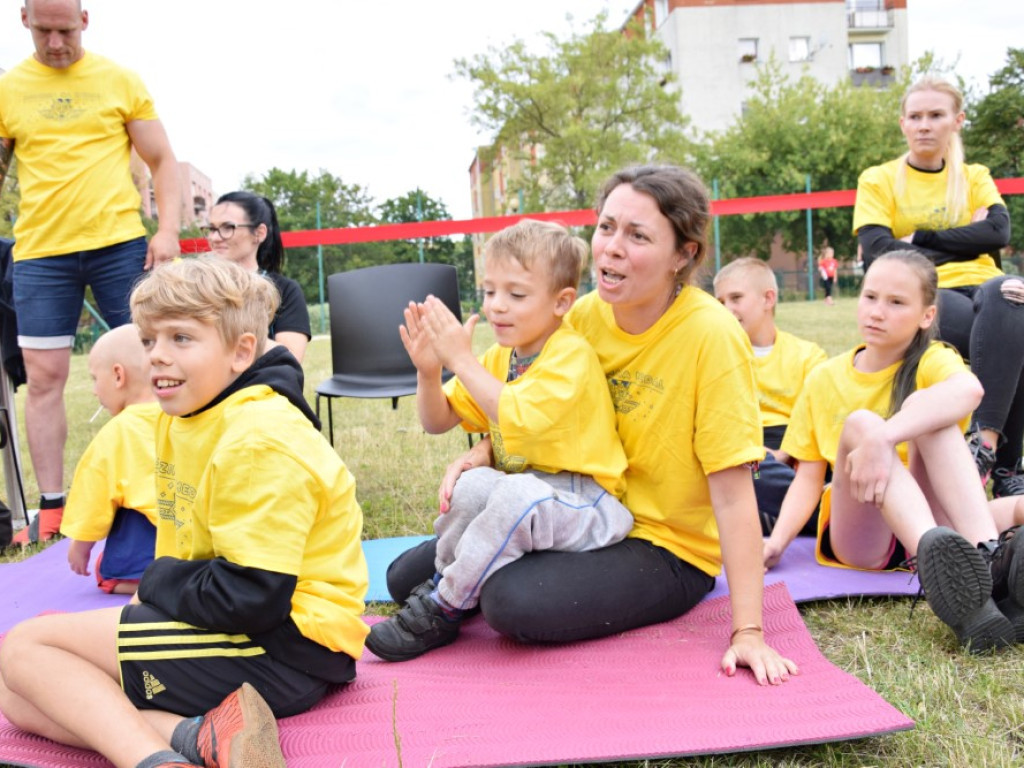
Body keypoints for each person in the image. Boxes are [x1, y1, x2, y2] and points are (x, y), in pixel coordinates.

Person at [385, 166, 798, 685]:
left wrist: (749, 632)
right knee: (403, 578)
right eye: (606, 228)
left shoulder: (712, 336)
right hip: (576, 506)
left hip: (666, 548)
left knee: (510, 601)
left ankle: (463, 596)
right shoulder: (581, 314)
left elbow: (735, 497)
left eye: (638, 235)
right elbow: (538, 402)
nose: (611, 249)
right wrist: (483, 451)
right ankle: (460, 591)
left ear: (683, 255)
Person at [0, 257, 369, 768]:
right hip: (236, 630)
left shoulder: (258, 438)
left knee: (23, 651)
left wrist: (156, 581)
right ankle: (194, 737)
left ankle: (154, 763)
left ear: (241, 351)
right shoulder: (193, 412)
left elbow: (253, 596)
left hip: (284, 648)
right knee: (17, 694)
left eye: (181, 339)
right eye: (150, 340)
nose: (157, 357)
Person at [366, 219, 633, 662]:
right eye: (489, 291)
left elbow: (517, 417)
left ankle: (444, 607)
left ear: (561, 302)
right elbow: (439, 421)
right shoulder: (497, 357)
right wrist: (430, 371)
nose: (496, 307)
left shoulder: (570, 355)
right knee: (473, 486)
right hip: (530, 494)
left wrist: (460, 359)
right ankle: (443, 584)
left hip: (587, 502)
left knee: (515, 493)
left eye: (517, 294)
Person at [764, 251, 1024, 652]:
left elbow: (970, 391)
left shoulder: (933, 360)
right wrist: (777, 543)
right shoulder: (824, 378)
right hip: (864, 535)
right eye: (870, 297)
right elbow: (808, 477)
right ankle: (946, 572)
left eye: (896, 302)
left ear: (927, 315)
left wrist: (885, 438)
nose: (877, 312)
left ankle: (986, 565)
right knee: (862, 423)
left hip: (940, 527)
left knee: (926, 410)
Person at [1, 0, 181, 545]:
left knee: (156, 362)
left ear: (84, 20)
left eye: (64, 30)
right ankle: (53, 507)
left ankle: (167, 488)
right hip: (41, 251)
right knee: (45, 376)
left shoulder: (119, 79)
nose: (55, 43)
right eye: (43, 31)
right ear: (24, 22)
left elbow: (163, 160)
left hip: (118, 243)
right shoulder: (8, 89)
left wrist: (167, 229)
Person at [853, 75, 1021, 499]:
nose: (924, 124)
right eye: (915, 116)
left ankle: (983, 446)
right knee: (1015, 333)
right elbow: (878, 253)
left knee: (1010, 294)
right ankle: (1006, 473)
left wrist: (921, 240)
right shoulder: (879, 180)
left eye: (935, 115)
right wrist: (967, 237)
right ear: (903, 124)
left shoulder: (974, 174)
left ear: (957, 121)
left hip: (988, 290)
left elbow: (998, 232)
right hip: (932, 295)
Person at [713, 257, 827, 535]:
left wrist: (785, 453)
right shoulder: (715, 356)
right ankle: (825, 517)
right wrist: (765, 454)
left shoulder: (807, 355)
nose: (727, 309)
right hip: (749, 450)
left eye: (736, 298)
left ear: (768, 299)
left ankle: (778, 515)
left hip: (798, 449)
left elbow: (818, 415)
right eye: (720, 302)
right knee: (744, 469)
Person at [60, 324, 161, 594]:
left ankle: (136, 584)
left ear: (118, 375)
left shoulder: (117, 432)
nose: (94, 391)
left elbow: (94, 497)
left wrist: (80, 546)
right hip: (195, 544)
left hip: (147, 548)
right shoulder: (184, 414)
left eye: (95, 378)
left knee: (106, 574)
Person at [204, 191, 311, 362]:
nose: (214, 237)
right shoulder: (196, 286)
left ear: (260, 233)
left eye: (227, 227)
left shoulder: (284, 290)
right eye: (211, 229)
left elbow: (289, 360)